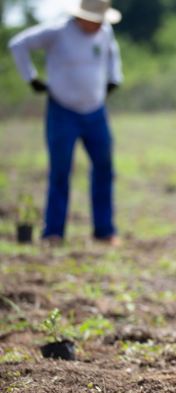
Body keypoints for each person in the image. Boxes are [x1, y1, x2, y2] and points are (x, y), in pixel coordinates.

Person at [8, 0, 123, 246]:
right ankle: (54, 232)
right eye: (95, 20)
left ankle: (104, 230)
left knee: (104, 169)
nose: (99, 25)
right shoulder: (57, 32)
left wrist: (115, 78)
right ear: (81, 17)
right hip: (62, 111)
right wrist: (31, 78)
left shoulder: (104, 32)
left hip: (95, 112)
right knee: (60, 171)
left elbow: (112, 54)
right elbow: (18, 44)